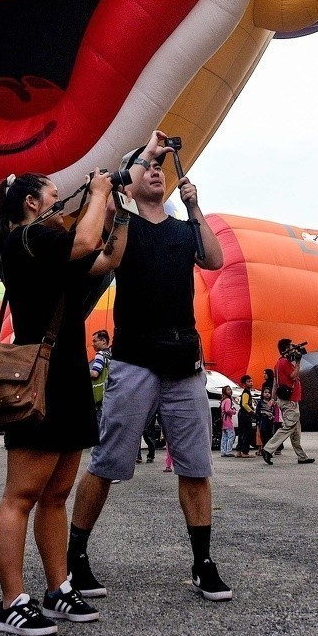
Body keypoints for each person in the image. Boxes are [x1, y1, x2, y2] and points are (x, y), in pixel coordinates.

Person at [68, 130, 231, 605]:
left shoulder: (184, 231)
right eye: (146, 165)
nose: (156, 169)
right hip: (135, 361)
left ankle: (203, 564)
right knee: (108, 463)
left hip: (184, 363)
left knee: (196, 467)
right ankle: (76, 557)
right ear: (130, 181)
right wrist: (117, 204)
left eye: (161, 165)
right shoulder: (126, 229)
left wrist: (195, 206)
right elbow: (102, 264)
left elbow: (215, 259)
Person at [0, 167, 126, 636]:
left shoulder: (50, 247)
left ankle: (57, 587)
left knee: (56, 496)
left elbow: (106, 260)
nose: (62, 198)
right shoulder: (27, 239)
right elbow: (84, 245)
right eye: (52, 192)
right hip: (39, 382)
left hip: (67, 377)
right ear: (31, 202)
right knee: (21, 496)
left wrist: (117, 210)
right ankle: (11, 602)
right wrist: (100, 189)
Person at [260, 339, 315, 466]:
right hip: (290, 401)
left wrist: (273, 399)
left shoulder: (278, 363)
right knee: (288, 426)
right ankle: (268, 449)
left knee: (296, 430)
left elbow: (275, 384)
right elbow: (294, 376)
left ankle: (302, 456)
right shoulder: (285, 363)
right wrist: (298, 361)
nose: (294, 348)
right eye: (291, 346)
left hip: (287, 400)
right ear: (285, 349)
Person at [89, 330, 112, 428]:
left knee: (98, 430)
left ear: (103, 341)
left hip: (99, 398)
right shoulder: (110, 355)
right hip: (109, 395)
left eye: (95, 341)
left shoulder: (100, 354)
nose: (93, 344)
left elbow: (95, 373)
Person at [236, 376, 255, 457]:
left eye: (251, 381)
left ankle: (239, 451)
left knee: (241, 433)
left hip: (242, 415)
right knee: (247, 433)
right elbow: (244, 404)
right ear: (244, 384)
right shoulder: (246, 392)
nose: (250, 383)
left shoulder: (247, 392)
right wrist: (251, 411)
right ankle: (245, 451)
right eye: (248, 381)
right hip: (245, 415)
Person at [219, 386, 236, 458]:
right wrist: (233, 411)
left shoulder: (223, 400)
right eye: (228, 390)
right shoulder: (228, 400)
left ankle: (223, 451)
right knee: (231, 435)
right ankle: (228, 451)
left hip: (223, 420)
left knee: (224, 436)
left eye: (230, 389)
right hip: (228, 420)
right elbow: (227, 410)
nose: (230, 391)